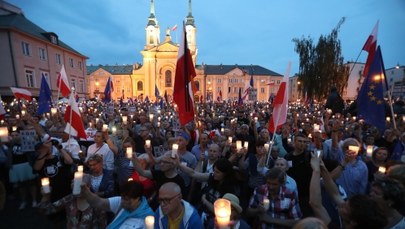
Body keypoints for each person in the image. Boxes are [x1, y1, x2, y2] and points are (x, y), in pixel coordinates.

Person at [81, 180, 154, 229]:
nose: (123, 202)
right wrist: (85, 190)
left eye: (127, 199)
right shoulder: (120, 202)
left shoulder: (148, 218)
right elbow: (98, 202)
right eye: (123, 198)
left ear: (137, 198)